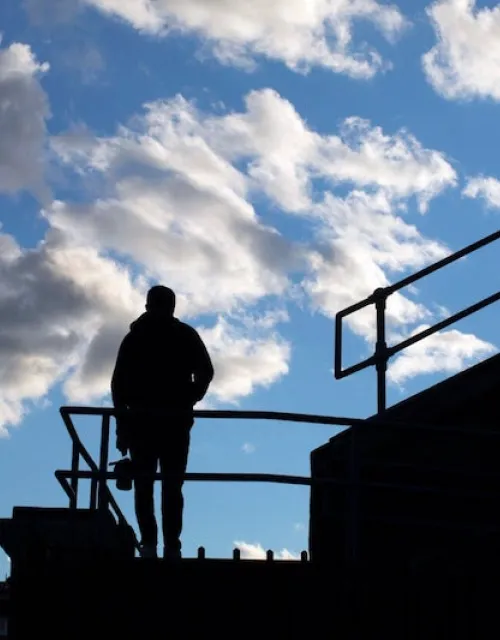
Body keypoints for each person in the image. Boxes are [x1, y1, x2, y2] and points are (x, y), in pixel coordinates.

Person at [111, 285, 214, 559]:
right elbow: (206, 372)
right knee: (169, 486)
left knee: (151, 486)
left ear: (148, 306)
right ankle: (166, 545)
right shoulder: (183, 336)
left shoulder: (135, 339)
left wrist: (122, 426)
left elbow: (118, 386)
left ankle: (153, 544)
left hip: (148, 423)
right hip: (170, 423)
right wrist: (189, 398)